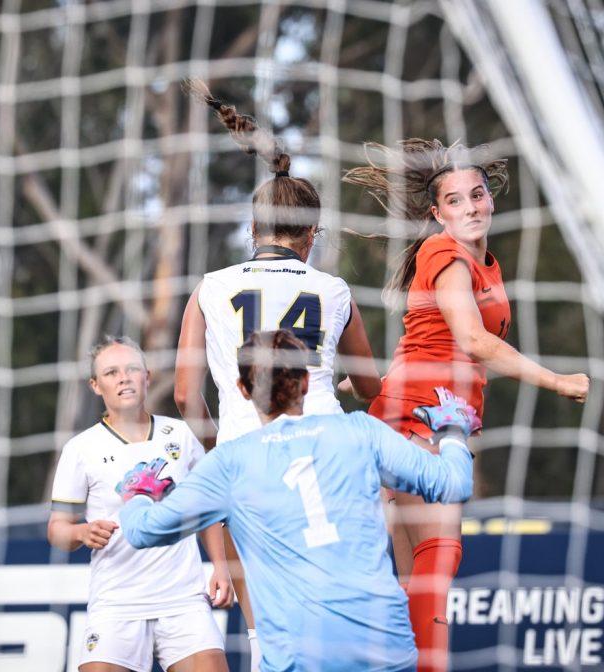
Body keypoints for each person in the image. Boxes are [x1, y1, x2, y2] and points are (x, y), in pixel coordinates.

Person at [343, 139, 590, 671]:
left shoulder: (489, 265)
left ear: (491, 200)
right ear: (438, 213)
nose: (471, 207)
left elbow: (436, 342)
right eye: (455, 201)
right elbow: (473, 341)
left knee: (412, 579)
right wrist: (557, 380)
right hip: (420, 415)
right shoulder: (444, 251)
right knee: (439, 556)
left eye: (476, 195)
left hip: (423, 409)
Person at [117, 330, 476, 672]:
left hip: (300, 656)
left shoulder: (230, 463)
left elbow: (143, 532)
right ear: (306, 383)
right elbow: (453, 484)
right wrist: (453, 431)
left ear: (242, 390)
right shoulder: (360, 432)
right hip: (383, 646)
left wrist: (139, 492)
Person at [175, 79, 381, 665]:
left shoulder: (212, 287)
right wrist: (339, 384)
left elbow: (188, 392)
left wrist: (220, 447)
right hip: (324, 455)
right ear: (312, 235)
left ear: (254, 230)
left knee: (266, 626)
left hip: (246, 456)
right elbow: (370, 387)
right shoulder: (332, 289)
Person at [47, 336, 233, 672]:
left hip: (183, 601)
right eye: (112, 372)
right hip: (116, 604)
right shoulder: (80, 448)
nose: (124, 377)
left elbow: (206, 509)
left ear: (147, 376)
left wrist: (221, 567)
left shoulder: (181, 435)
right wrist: (82, 532)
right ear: (95, 385)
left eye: (132, 369)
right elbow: (56, 530)